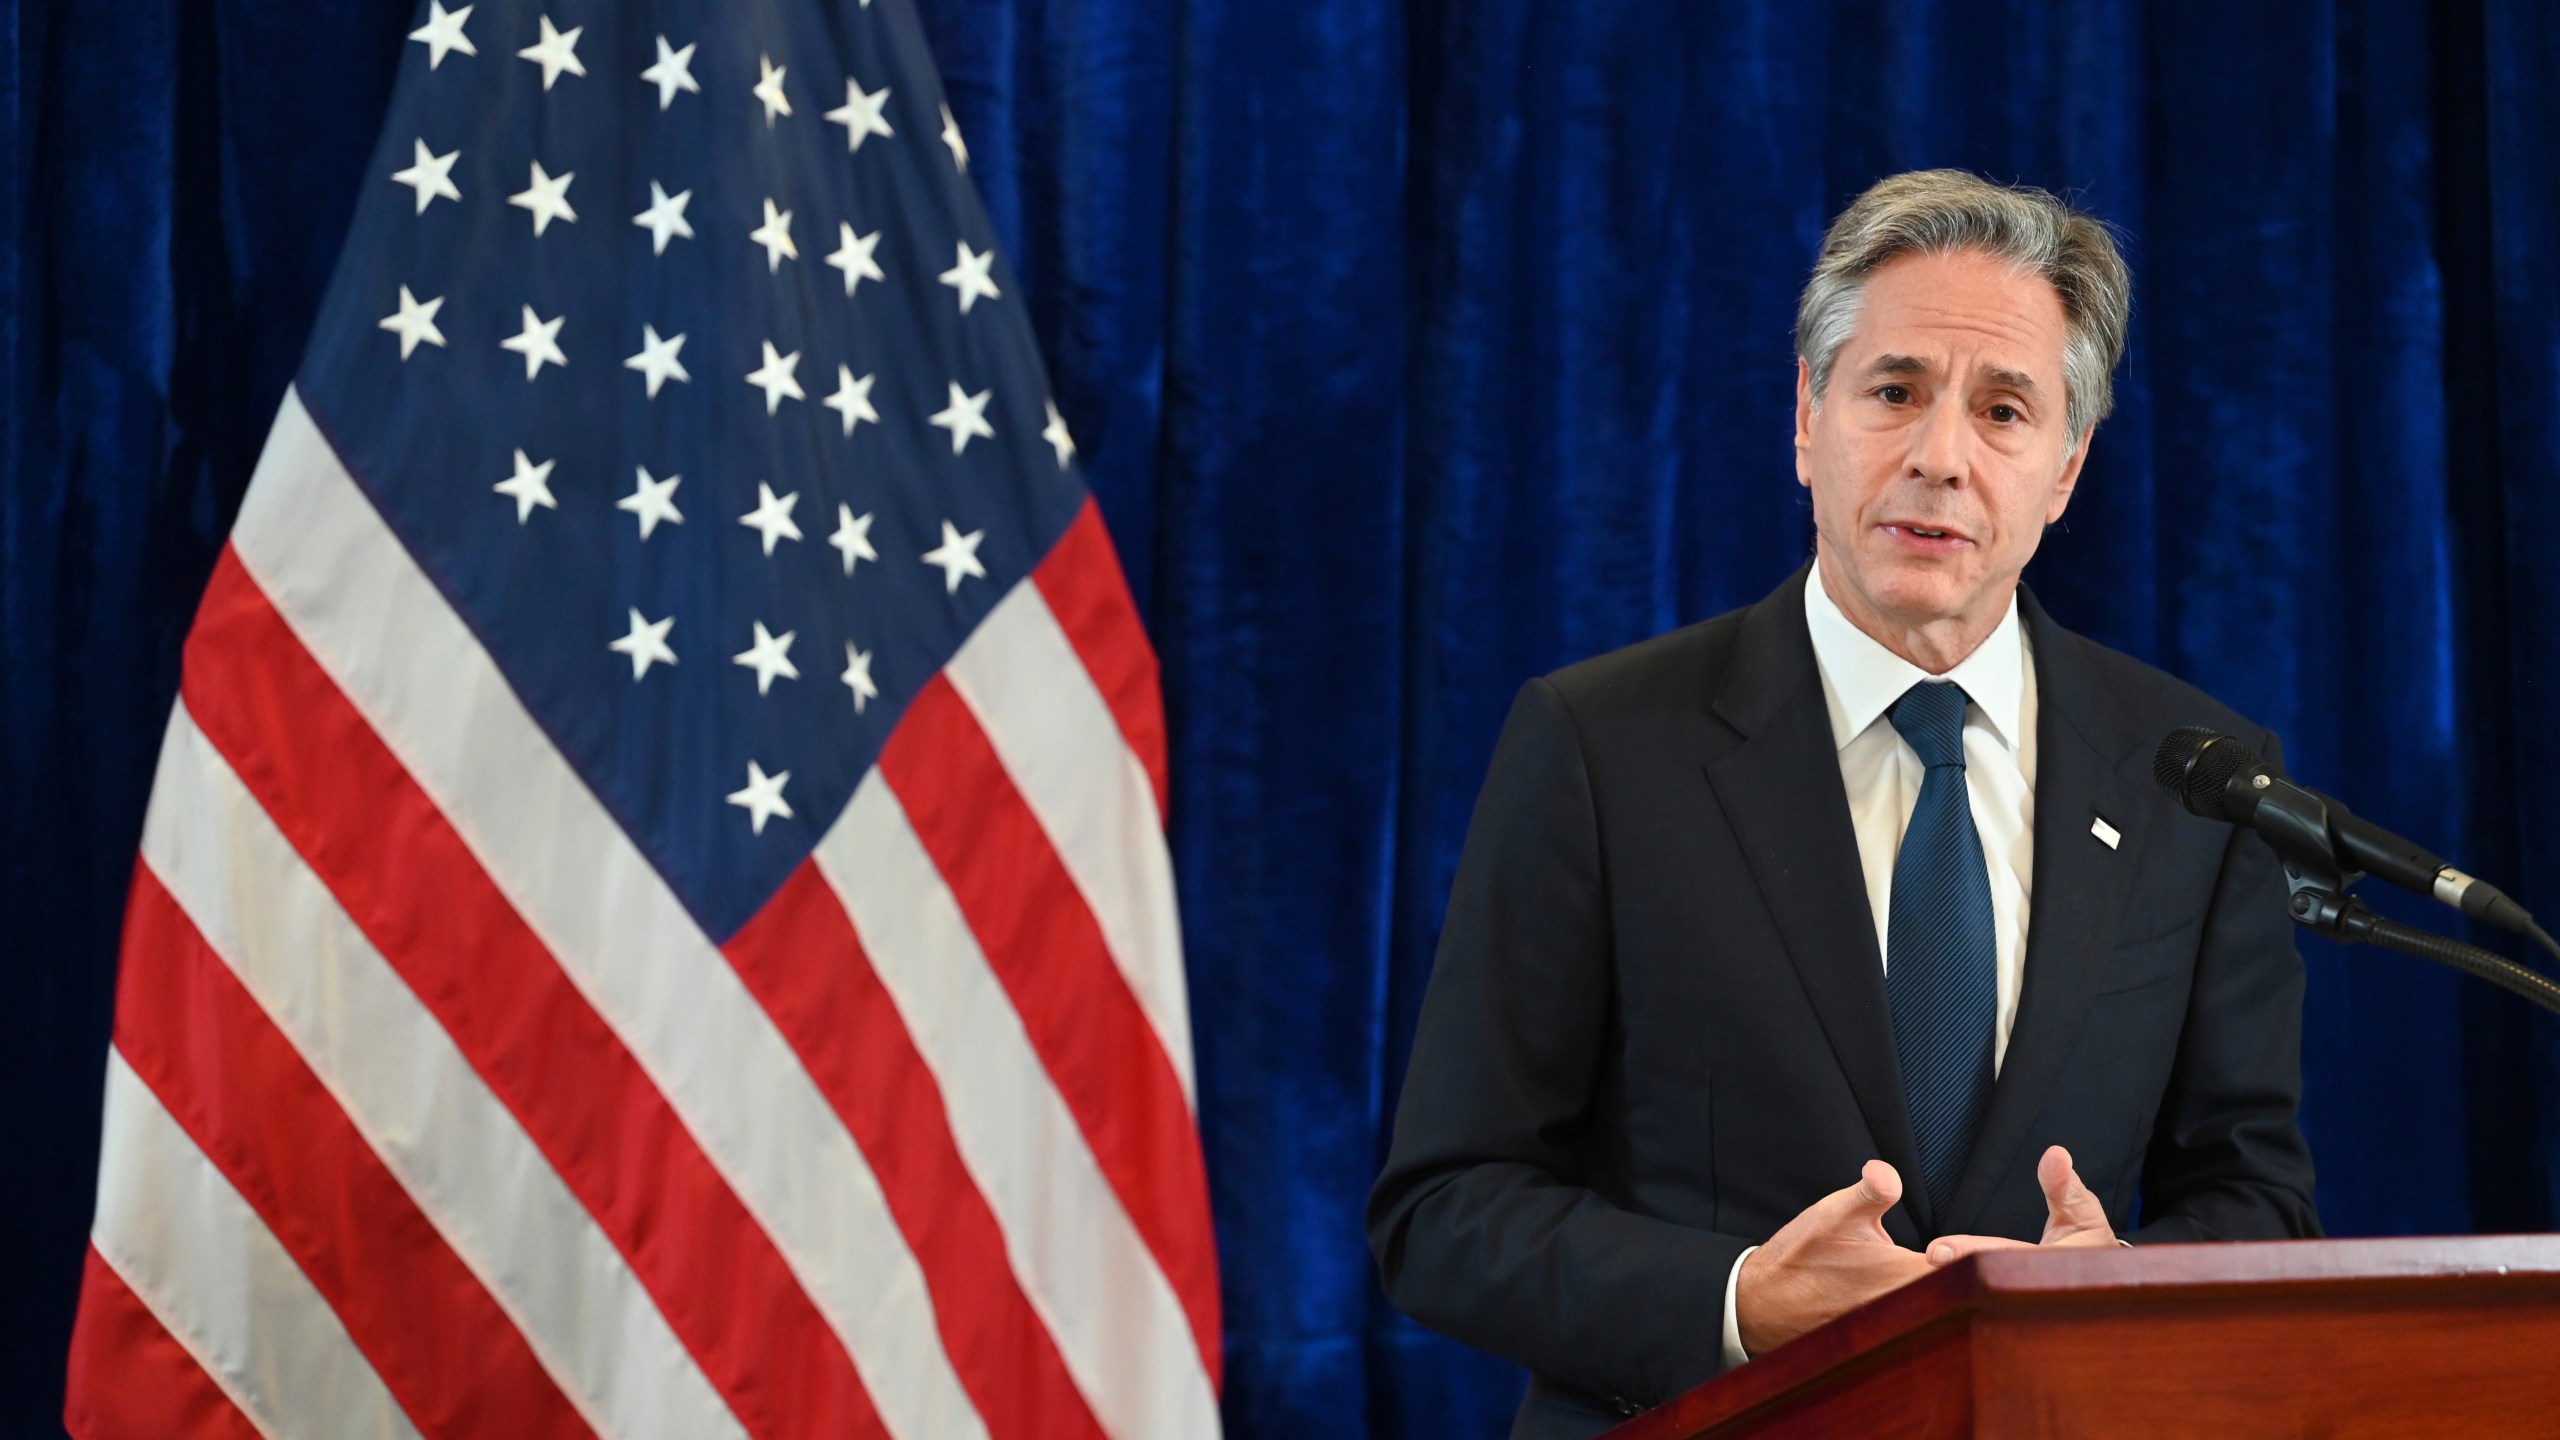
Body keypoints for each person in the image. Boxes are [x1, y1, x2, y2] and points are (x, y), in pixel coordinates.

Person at [1366, 169, 2320, 1439]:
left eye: (2002, 410)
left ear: (2066, 470)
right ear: (1807, 421)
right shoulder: (1601, 744)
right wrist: (1741, 1299)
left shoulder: (2190, 776)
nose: (1940, 458)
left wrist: (2117, 1290)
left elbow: (2251, 1193)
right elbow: (1445, 1207)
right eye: (1893, 392)